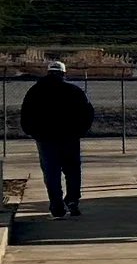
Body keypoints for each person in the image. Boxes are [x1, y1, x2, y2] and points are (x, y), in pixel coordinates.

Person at [19, 60, 94, 220]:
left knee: (51, 172)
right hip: (70, 137)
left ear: (48, 72)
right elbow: (88, 112)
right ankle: (73, 200)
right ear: (63, 73)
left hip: (45, 138)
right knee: (72, 170)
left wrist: (31, 131)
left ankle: (56, 205)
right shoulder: (74, 91)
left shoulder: (35, 91)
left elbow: (26, 113)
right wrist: (81, 130)